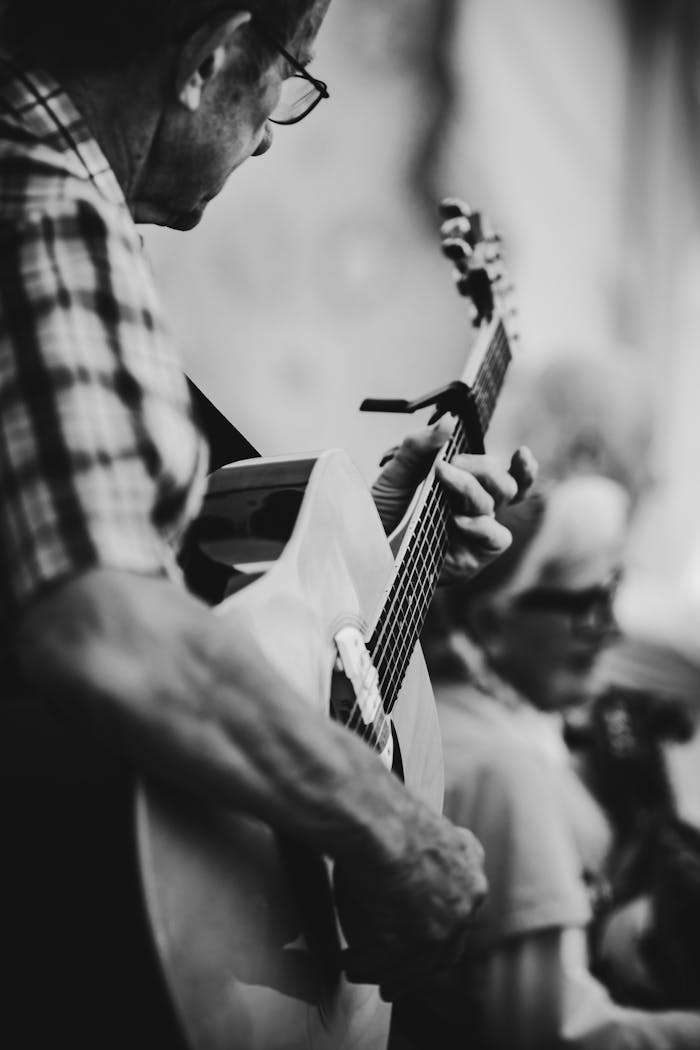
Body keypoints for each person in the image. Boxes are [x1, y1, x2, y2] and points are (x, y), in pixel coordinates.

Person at [0, 2, 535, 1047]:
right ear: (209, 60)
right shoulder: (47, 206)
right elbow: (104, 628)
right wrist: (389, 828)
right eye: (288, 74)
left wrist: (373, 542)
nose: (272, 121)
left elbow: (160, 572)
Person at [397, 475, 700, 1049]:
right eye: (590, 602)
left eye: (615, 590)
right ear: (492, 623)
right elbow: (551, 1032)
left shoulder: (457, 713)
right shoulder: (503, 768)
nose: (612, 629)